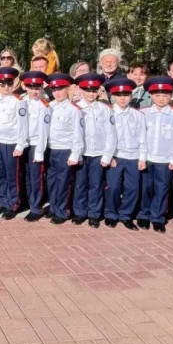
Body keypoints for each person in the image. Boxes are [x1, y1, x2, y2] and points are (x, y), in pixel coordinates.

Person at [138, 76, 173, 233]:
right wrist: (140, 156)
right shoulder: (143, 113)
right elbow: (139, 137)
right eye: (157, 95)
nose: (161, 98)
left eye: (165, 95)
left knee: (162, 188)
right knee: (145, 188)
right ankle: (144, 215)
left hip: (165, 159)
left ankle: (158, 217)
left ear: (171, 96)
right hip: (147, 157)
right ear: (151, 95)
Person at [74, 73, 116, 228]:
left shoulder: (105, 109)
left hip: (98, 153)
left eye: (94, 90)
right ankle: (79, 212)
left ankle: (94, 214)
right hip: (81, 153)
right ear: (81, 90)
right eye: (87, 90)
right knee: (80, 184)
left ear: (99, 91)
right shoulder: (76, 107)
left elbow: (111, 133)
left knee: (96, 184)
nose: (91, 94)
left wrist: (107, 155)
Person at [104, 78, 146, 231]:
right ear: (113, 96)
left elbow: (143, 137)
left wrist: (142, 157)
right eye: (119, 95)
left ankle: (126, 215)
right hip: (116, 156)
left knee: (133, 188)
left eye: (126, 95)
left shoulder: (138, 115)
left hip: (133, 157)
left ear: (131, 96)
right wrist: (109, 156)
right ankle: (111, 214)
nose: (123, 98)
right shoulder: (108, 113)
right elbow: (104, 137)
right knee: (113, 187)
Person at [44, 73, 84, 224]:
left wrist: (75, 154)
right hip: (51, 149)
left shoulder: (74, 109)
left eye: (60, 89)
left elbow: (78, 134)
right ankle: (54, 206)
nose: (57, 92)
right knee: (51, 180)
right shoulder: (49, 107)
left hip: (65, 150)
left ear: (67, 88)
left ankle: (62, 211)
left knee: (63, 182)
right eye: (54, 89)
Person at [0, 67, 28, 220]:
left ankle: (13, 203)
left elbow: (23, 125)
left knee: (12, 175)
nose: (6, 87)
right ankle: (3, 200)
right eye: (3, 84)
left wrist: (20, 145)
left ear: (14, 83)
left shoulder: (19, 102)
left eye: (9, 83)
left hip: (12, 143)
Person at [19, 71, 51, 222]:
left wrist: (39, 151)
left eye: (37, 88)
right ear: (25, 87)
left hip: (36, 145)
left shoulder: (45, 105)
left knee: (35, 177)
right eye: (31, 87)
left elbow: (44, 131)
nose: (34, 91)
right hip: (21, 144)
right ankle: (26, 201)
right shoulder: (21, 101)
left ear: (41, 88)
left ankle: (36, 208)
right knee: (24, 175)